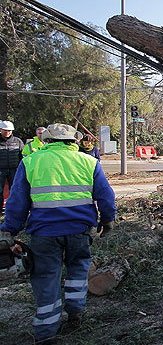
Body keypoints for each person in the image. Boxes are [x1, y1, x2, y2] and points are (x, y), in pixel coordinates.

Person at [0, 123, 116, 343]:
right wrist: (108, 220)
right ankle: (76, 312)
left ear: (47, 140)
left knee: (45, 277)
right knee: (78, 270)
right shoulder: (89, 162)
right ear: (74, 142)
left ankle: (46, 330)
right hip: (79, 231)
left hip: (44, 233)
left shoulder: (31, 162)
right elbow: (105, 195)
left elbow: (17, 203)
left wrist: (8, 230)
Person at [0, 120, 24, 212]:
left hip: (14, 170)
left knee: (15, 190)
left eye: (9, 130)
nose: (7, 132)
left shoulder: (17, 141)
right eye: (5, 130)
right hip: (0, 170)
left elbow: (23, 155)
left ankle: (14, 209)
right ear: (0, 130)